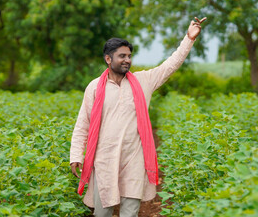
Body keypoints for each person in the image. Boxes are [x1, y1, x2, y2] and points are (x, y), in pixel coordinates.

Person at [70, 17, 207, 217]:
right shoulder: (93, 88)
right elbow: (83, 124)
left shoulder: (144, 81)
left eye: (129, 56)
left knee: (130, 213)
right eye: (122, 56)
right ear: (108, 59)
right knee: (102, 213)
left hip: (134, 159)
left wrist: (188, 39)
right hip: (104, 160)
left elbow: (170, 65)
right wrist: (75, 155)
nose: (127, 60)